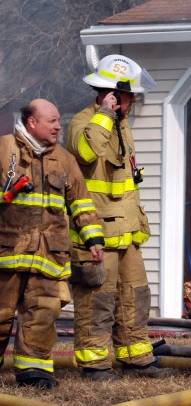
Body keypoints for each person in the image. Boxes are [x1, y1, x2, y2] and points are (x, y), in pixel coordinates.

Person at [66, 54, 173, 380]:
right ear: (111, 94)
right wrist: (103, 115)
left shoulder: (121, 127)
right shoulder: (83, 123)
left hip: (126, 233)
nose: (133, 102)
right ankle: (94, 364)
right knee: (97, 302)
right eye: (129, 96)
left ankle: (136, 358)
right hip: (96, 234)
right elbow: (85, 153)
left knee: (135, 297)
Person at [0, 99, 104, 388]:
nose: (59, 126)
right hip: (7, 254)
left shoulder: (65, 159)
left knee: (43, 313)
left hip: (50, 255)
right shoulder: (3, 150)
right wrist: (7, 194)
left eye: (59, 120)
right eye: (53, 121)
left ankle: (34, 371)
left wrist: (93, 239)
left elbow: (81, 203)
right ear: (32, 122)